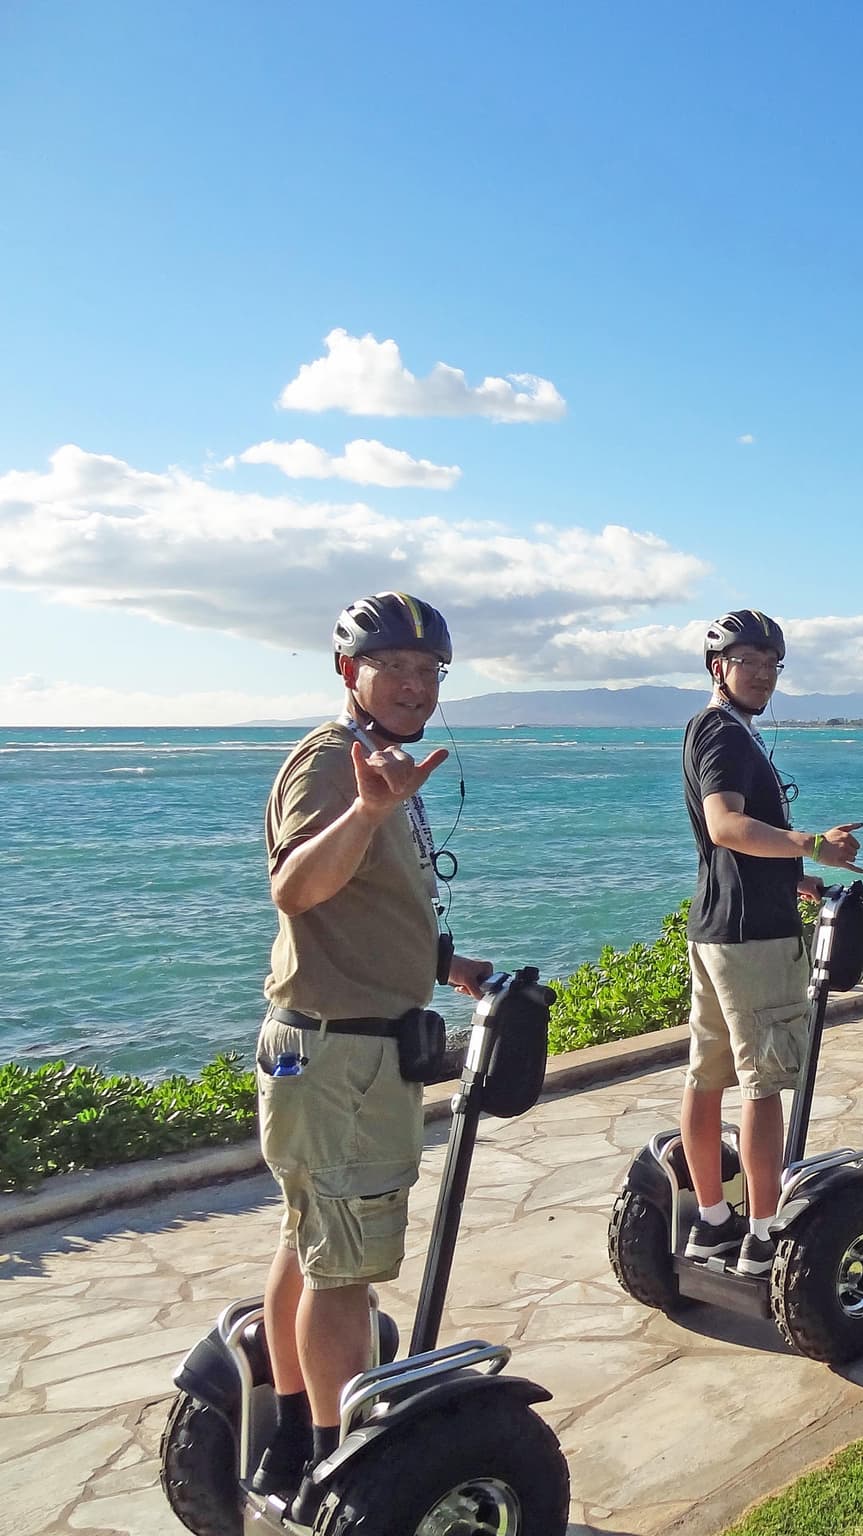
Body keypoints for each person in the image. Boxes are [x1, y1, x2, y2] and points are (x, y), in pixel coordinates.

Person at [254, 592, 495, 1508]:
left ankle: (288, 1442)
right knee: (346, 1276)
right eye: (392, 667)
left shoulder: (379, 761)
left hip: (335, 1046)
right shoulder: (336, 761)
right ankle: (334, 1466)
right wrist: (363, 811)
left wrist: (442, 960)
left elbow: (365, 901)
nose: (414, 685)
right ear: (348, 671)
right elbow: (297, 887)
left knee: (310, 1249)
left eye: (429, 670)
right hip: (341, 1056)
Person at [677, 609, 863, 1276]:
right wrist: (812, 843)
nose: (762, 674)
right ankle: (761, 1236)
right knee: (762, 1085)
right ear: (717, 667)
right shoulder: (723, 734)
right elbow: (726, 826)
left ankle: (711, 1223)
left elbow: (736, 847)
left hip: (720, 929)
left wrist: (794, 874)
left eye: (772, 663)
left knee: (706, 1078)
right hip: (752, 941)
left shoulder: (723, 731)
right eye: (748, 661)